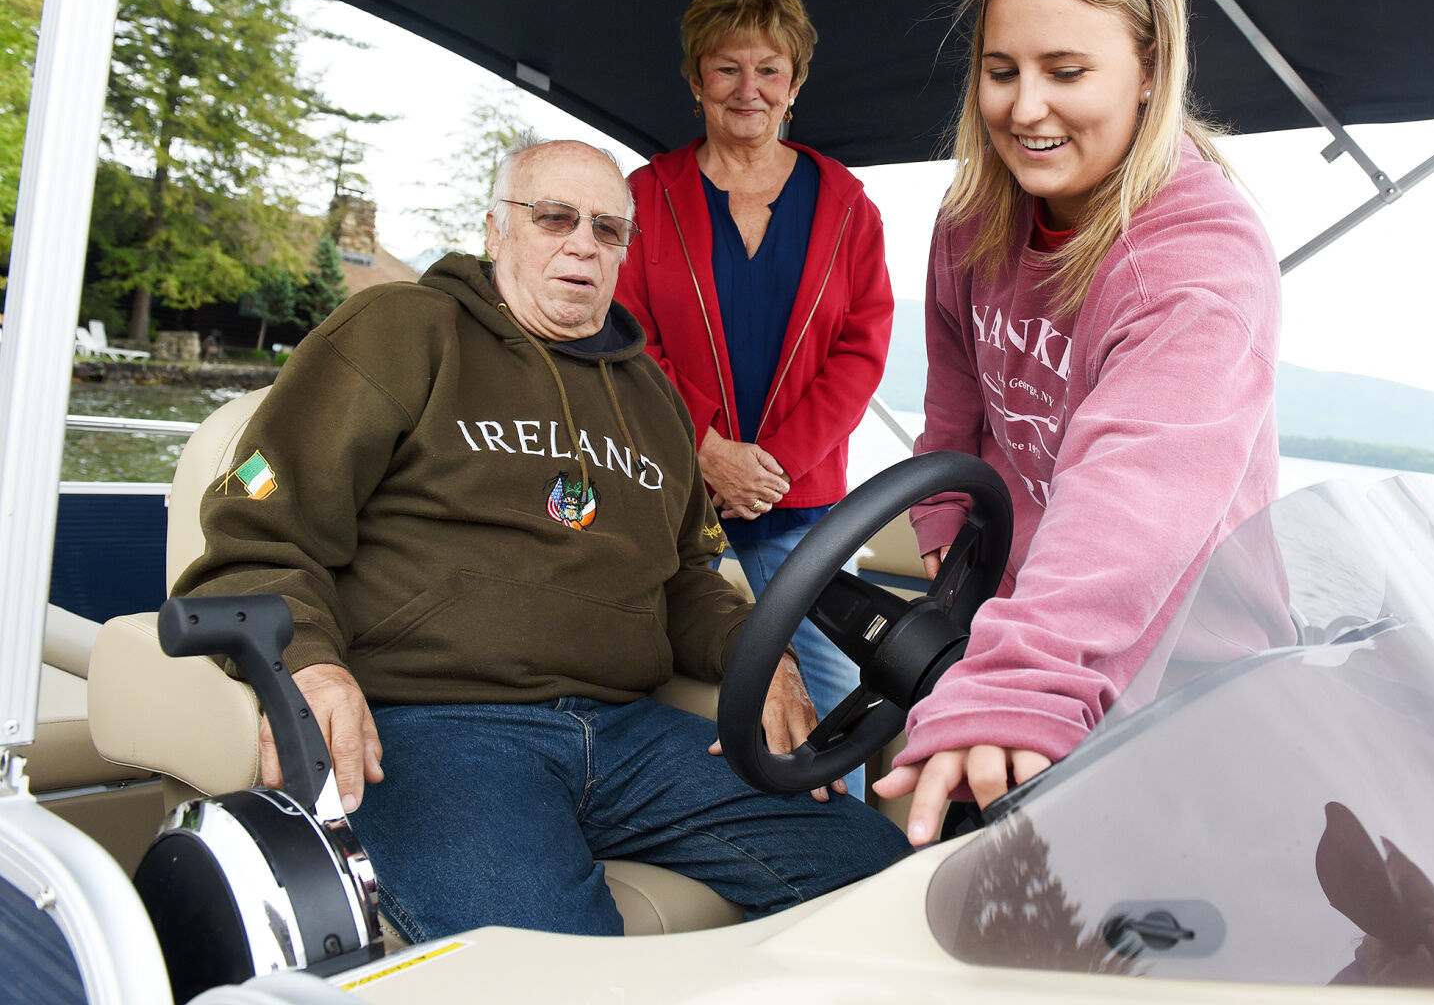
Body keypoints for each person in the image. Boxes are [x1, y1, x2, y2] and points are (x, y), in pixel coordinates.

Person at [175, 137, 908, 941]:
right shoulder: (403, 330)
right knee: (557, 970)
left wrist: (759, 658)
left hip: (632, 737)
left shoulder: (657, 399)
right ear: (497, 231)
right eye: (554, 218)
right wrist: (310, 662)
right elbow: (257, 534)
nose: (582, 244)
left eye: (607, 228)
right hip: (437, 729)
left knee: (880, 877)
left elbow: (687, 582)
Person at [871, 0, 1289, 843]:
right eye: (1001, 70)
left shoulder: (1198, 254)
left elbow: (1138, 489)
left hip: (1185, 678)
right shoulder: (971, 221)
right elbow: (956, 401)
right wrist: (944, 530)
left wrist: (1019, 679)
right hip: (1027, 630)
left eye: (1066, 73)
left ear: (1149, 74)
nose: (1025, 109)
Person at [619, 0, 893, 796]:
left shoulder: (848, 205)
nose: (749, 88)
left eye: (769, 69)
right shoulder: (644, 194)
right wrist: (704, 449)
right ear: (696, 79)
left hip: (796, 496)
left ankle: (827, 865)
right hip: (669, 492)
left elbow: (862, 347)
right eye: (728, 67)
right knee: (662, 682)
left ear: (795, 84)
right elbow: (627, 336)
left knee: (831, 697)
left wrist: (768, 466)